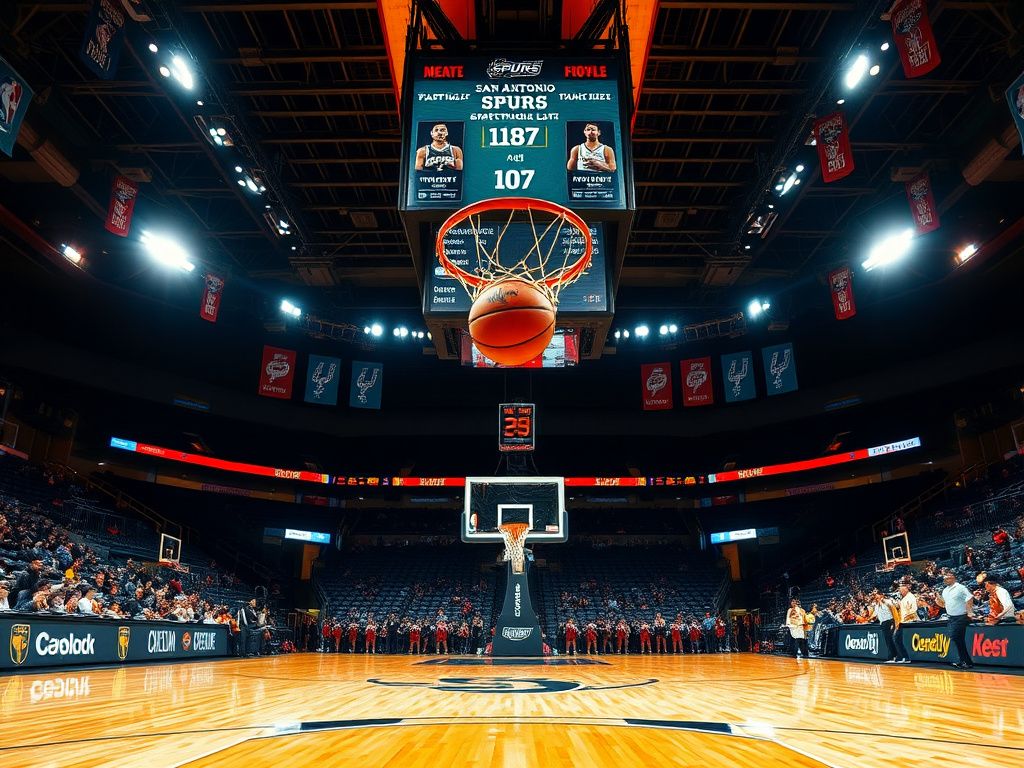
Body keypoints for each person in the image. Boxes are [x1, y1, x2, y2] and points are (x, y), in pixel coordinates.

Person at [935, 570, 974, 670]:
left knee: (956, 637)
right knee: (958, 640)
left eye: (947, 578)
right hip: (951, 617)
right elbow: (944, 604)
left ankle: (965, 661)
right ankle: (965, 662)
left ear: (953, 578)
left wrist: (970, 611)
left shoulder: (960, 588)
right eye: (944, 578)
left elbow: (969, 598)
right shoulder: (945, 590)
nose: (945, 580)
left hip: (961, 616)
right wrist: (938, 600)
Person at [870, 588, 899, 663]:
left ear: (881, 595)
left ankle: (895, 656)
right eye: (875, 596)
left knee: (891, 639)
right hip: (883, 623)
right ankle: (892, 656)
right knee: (887, 640)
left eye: (877, 595)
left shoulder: (888, 602)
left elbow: (894, 612)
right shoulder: (876, 605)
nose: (876, 597)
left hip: (890, 621)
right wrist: (868, 619)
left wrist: (895, 623)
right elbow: (874, 615)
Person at [893, 583, 917, 663]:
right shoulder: (904, 598)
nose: (900, 592)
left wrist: (905, 620)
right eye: (900, 590)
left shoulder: (911, 597)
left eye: (901, 590)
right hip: (903, 622)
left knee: (899, 639)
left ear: (906, 589)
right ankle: (903, 657)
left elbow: (913, 611)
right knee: (897, 639)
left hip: (907, 622)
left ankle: (906, 657)